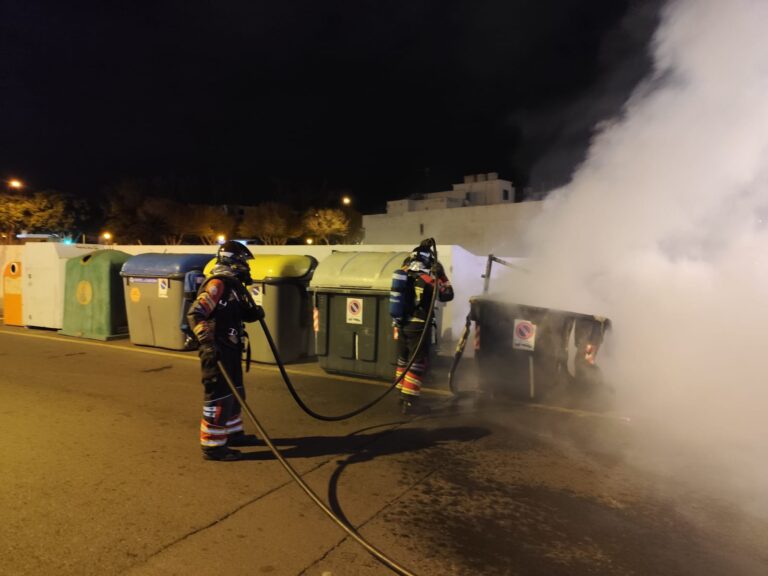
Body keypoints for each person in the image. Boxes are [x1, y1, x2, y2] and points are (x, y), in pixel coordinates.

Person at [187, 240, 264, 461]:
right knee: (219, 397)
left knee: (235, 393)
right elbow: (195, 314)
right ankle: (212, 446)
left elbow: (237, 312)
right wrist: (207, 342)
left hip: (231, 349)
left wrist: (252, 313)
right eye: (244, 262)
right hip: (217, 351)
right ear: (234, 261)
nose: (247, 267)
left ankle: (233, 434)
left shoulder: (232, 287)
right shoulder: (217, 284)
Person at [391, 240, 454, 414]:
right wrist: (441, 275)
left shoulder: (405, 270)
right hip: (419, 325)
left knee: (403, 360)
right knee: (417, 362)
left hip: (401, 323)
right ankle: (409, 401)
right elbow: (448, 295)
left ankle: (401, 394)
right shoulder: (429, 277)